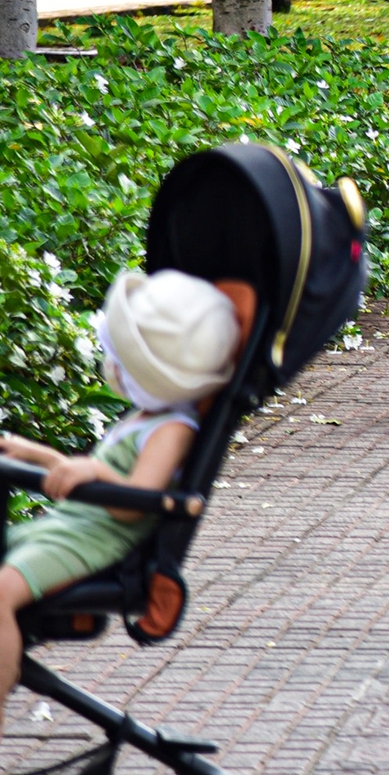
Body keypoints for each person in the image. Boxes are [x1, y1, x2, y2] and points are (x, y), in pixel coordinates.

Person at [0, 269, 254, 725]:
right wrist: (35, 454)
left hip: (91, 542)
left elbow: (134, 498)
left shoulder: (172, 429)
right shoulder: (145, 417)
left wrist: (92, 470)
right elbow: (95, 473)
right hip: (69, 529)